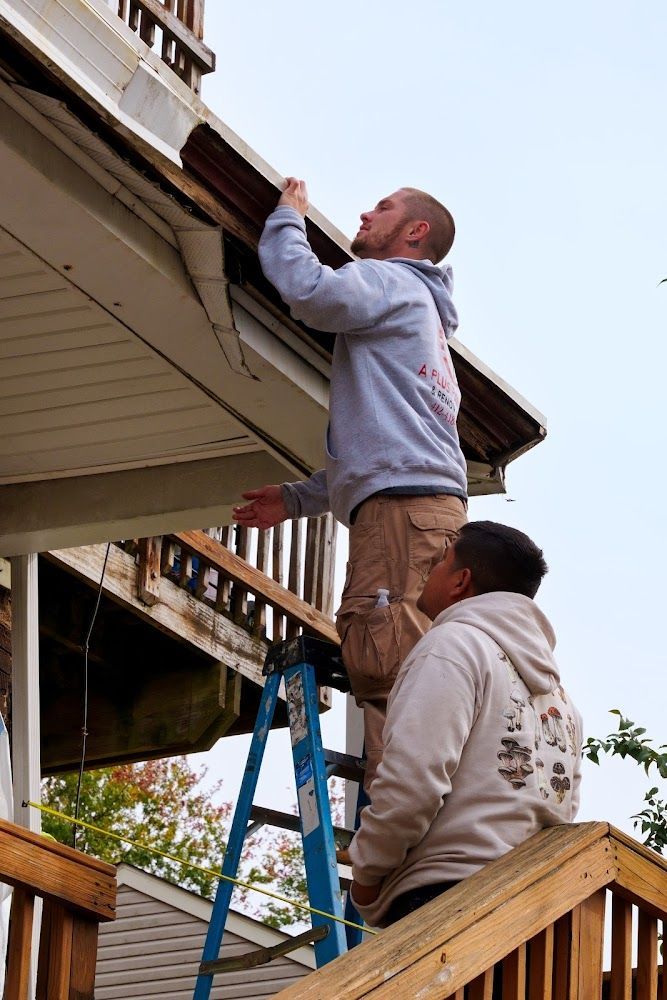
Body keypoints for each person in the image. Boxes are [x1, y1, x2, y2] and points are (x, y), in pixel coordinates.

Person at [233, 179, 468, 788]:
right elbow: (383, 450)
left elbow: (310, 292)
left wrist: (287, 219)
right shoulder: (425, 323)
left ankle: (404, 854)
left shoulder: (392, 282)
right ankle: (430, 834)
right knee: (421, 673)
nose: (367, 212)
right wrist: (295, 499)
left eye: (384, 207)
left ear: (415, 232)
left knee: (389, 665)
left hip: (401, 518)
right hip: (427, 515)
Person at [348, 521, 583, 929]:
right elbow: (562, 810)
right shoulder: (561, 700)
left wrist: (367, 873)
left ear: (461, 581)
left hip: (448, 898)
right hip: (533, 909)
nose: (429, 571)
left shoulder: (452, 646)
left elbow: (412, 781)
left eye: (440, 561)